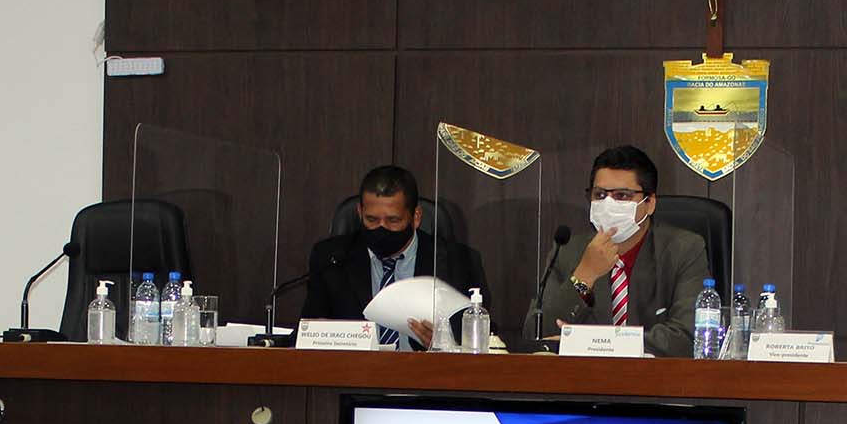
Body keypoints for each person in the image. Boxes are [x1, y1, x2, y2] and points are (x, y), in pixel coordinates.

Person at [529, 145, 708, 357]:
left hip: (654, 375)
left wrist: (595, 344)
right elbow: (536, 334)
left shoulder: (683, 249)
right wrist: (585, 275)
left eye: (622, 196)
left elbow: (687, 337)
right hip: (581, 376)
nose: (608, 204)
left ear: (649, 203)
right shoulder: (568, 250)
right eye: (600, 195)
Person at [298, 165, 489, 349]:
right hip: (352, 369)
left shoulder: (459, 262)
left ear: (416, 217)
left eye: (393, 220)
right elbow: (306, 332)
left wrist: (447, 345)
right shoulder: (331, 258)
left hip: (426, 370)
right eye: (372, 219)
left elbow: (484, 340)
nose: (382, 228)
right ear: (360, 212)